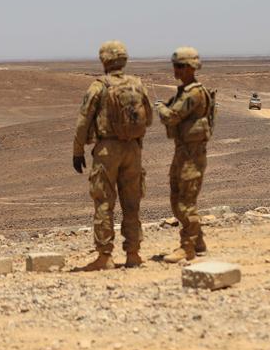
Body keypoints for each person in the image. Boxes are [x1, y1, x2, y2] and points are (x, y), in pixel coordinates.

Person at [72, 40, 152, 270]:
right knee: (132, 203)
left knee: (104, 202)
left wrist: (78, 150)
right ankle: (134, 254)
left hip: (107, 151)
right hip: (133, 150)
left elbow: (83, 120)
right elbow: (149, 117)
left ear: (104, 60)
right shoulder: (137, 85)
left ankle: (105, 256)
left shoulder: (99, 86)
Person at [156, 47, 214, 263]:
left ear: (191, 68)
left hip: (192, 154)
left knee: (185, 201)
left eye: (180, 66)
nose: (176, 69)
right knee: (176, 197)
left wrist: (160, 108)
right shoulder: (185, 90)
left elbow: (172, 117)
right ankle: (198, 240)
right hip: (183, 151)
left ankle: (187, 247)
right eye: (175, 65)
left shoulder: (194, 93)